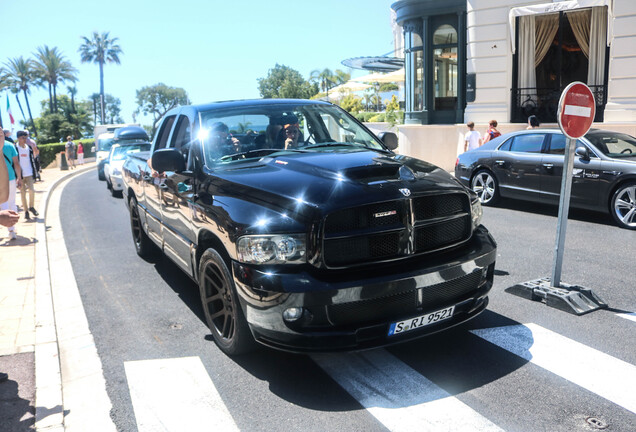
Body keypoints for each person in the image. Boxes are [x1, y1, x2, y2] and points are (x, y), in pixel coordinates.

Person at [1, 130, 22, 239]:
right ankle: (12, 229)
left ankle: (10, 229)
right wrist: (19, 177)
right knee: (11, 202)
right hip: (11, 178)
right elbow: (16, 163)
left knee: (2, 204)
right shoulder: (10, 145)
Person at [16, 130, 39, 220]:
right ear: (18, 138)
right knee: (23, 193)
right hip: (20, 175)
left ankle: (31, 207)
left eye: (26, 137)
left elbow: (32, 160)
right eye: (23, 138)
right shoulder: (15, 148)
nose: (25, 139)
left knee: (32, 190)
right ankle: (26, 211)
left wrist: (35, 172)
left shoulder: (28, 148)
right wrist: (17, 176)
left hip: (29, 173)